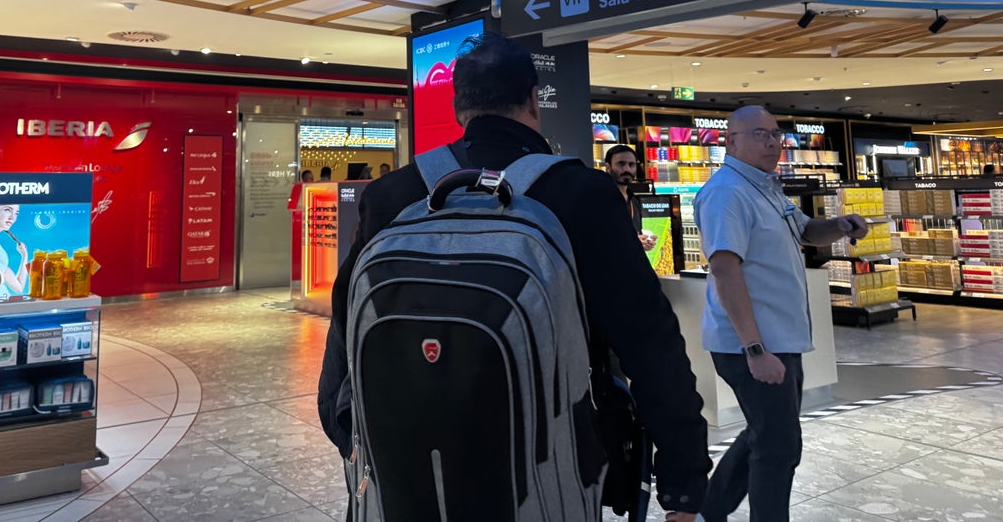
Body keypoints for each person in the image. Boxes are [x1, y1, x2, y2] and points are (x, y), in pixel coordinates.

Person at [318, 32, 710, 520]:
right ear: (532, 101)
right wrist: (683, 480)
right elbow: (651, 345)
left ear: (460, 107)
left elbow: (342, 348)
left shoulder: (392, 195)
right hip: (543, 481)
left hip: (405, 486)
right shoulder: (581, 194)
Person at [695, 105, 869, 522]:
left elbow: (806, 230)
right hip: (754, 345)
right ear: (730, 142)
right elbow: (724, 268)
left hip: (779, 341)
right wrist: (754, 348)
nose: (773, 142)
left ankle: (708, 511)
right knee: (778, 448)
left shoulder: (767, 188)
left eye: (776, 134)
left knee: (767, 434)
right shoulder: (727, 193)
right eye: (759, 134)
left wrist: (842, 225)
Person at [605, 143, 658, 251]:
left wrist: (644, 241)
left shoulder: (634, 201)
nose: (627, 169)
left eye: (631, 164)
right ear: (608, 167)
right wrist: (632, 242)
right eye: (621, 164)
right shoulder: (598, 200)